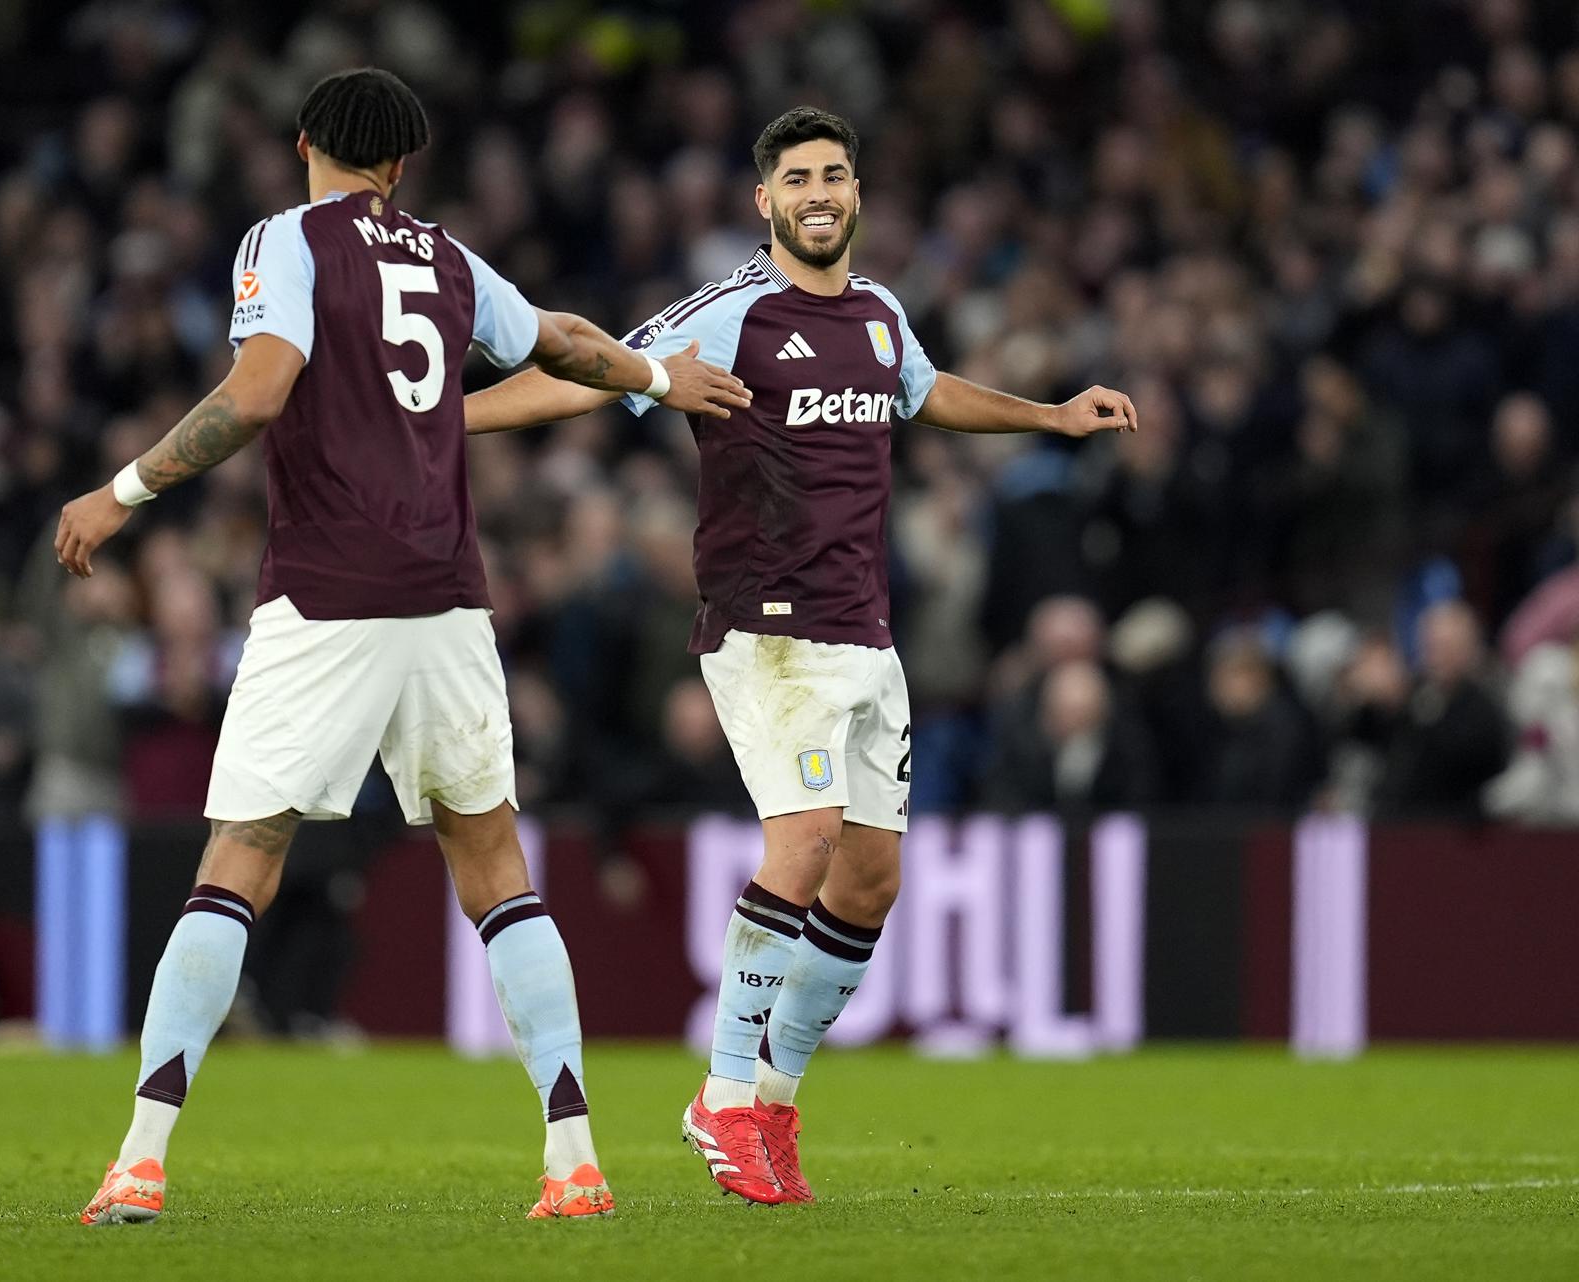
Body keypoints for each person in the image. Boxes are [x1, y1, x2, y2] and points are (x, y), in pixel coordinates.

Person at [53, 68, 750, 1225]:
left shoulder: (283, 240)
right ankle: (574, 1159)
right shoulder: (449, 259)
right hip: (448, 599)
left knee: (239, 862)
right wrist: (655, 375)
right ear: (404, 163)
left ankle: (140, 1157)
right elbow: (565, 343)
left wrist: (123, 491)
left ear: (307, 144)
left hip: (327, 597)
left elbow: (261, 386)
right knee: (494, 871)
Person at [465, 106, 1133, 1205]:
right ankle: (721, 1097)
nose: (819, 192)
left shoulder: (877, 314)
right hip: (764, 628)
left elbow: (924, 393)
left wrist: (1050, 419)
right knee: (810, 837)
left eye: (835, 174)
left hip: (866, 632)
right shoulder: (734, 312)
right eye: (797, 179)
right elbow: (594, 369)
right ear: (763, 202)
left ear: (857, 195)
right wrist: (447, 419)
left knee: (871, 879)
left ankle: (773, 1100)